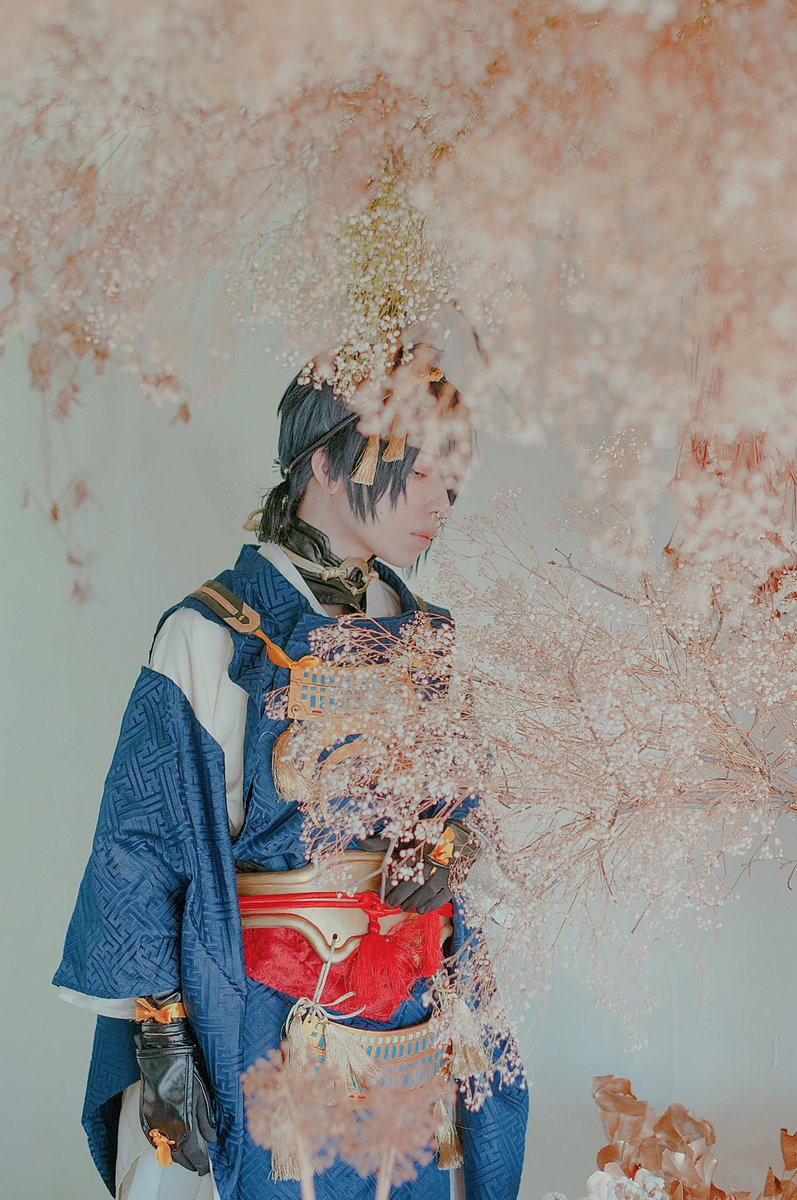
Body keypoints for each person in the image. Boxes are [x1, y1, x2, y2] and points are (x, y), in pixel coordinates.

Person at [54, 346, 529, 1199]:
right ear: (326, 462)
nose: (441, 501)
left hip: (412, 1006)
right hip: (268, 1012)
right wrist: (161, 1037)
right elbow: (139, 844)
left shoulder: (428, 639)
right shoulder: (214, 633)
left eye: (452, 479)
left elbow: (469, 805)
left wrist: (451, 847)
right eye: (420, 471)